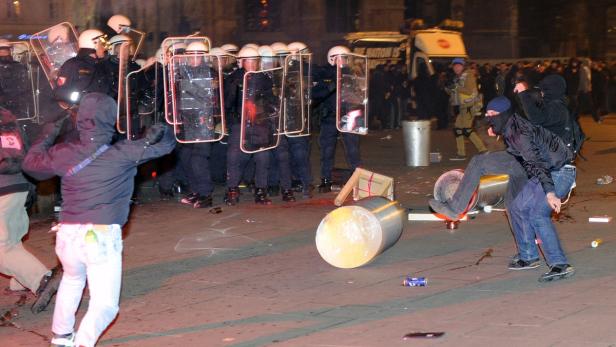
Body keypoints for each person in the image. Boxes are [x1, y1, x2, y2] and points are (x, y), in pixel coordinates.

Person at [23, 93, 175, 347]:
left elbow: (31, 165)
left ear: (81, 119)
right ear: (111, 119)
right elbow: (166, 147)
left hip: (67, 235)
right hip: (100, 238)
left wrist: (47, 134)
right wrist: (162, 133)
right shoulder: (123, 152)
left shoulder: (64, 152)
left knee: (72, 281)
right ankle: (83, 342)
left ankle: (61, 337)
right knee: (105, 305)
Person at [485, 97, 576, 282]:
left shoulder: (519, 133)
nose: (490, 118)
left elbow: (536, 162)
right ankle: (528, 256)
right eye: (488, 115)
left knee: (538, 214)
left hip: (559, 172)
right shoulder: (510, 126)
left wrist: (550, 192)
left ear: (504, 115)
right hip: (546, 172)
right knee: (516, 207)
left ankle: (560, 265)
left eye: (494, 115)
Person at [0, 108, 61, 314]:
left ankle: (42, 279)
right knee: (11, 240)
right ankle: (20, 280)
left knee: (1, 248)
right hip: (18, 184)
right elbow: (24, 149)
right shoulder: (7, 117)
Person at [223, 46, 274, 205]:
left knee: (263, 156)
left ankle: (261, 190)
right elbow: (227, 103)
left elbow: (270, 100)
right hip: (240, 122)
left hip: (260, 122)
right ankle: (232, 189)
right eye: (249, 61)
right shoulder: (233, 78)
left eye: (255, 61)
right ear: (241, 62)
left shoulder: (264, 78)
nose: (253, 64)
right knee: (234, 156)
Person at [173, 41, 219, 208]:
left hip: (203, 121)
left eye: (197, 55)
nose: (194, 59)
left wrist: (186, 85)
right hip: (188, 120)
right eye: (191, 56)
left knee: (199, 159)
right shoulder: (183, 71)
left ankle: (206, 194)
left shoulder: (209, 72)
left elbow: (208, 97)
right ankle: (196, 190)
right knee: (186, 158)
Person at [313, 46, 361, 192]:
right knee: (327, 150)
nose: (343, 61)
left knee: (352, 149)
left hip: (348, 116)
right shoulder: (325, 75)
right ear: (332, 59)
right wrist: (329, 86)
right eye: (341, 58)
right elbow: (315, 94)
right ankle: (326, 179)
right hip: (330, 117)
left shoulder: (351, 75)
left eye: (345, 58)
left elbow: (360, 94)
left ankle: (357, 178)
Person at [53, 29, 113, 107]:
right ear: (92, 44)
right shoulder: (73, 65)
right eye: (102, 43)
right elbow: (60, 92)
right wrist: (82, 100)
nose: (104, 47)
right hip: (82, 113)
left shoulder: (102, 65)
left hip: (102, 112)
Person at [446, 58, 486, 160]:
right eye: (454, 66)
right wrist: (448, 89)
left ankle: (483, 149)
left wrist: (455, 87)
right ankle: (461, 153)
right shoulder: (458, 77)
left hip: (471, 105)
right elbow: (455, 93)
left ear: (463, 66)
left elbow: (469, 91)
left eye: (458, 66)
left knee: (466, 129)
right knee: (458, 129)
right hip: (463, 106)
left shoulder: (469, 75)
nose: (456, 68)